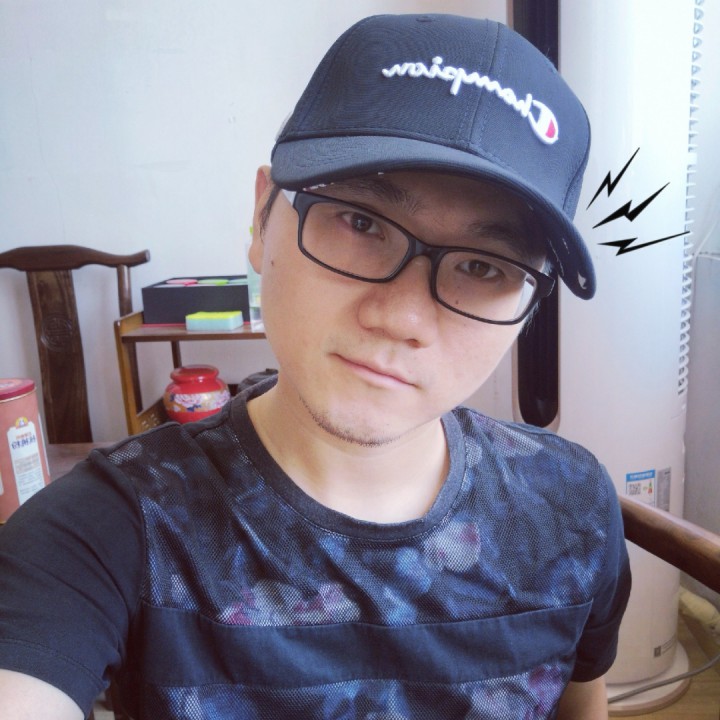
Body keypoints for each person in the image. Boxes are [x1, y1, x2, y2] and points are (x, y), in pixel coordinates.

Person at [0, 13, 630, 720]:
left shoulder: (572, 510)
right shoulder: (113, 527)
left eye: (483, 266)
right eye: (361, 222)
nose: (401, 316)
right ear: (261, 214)